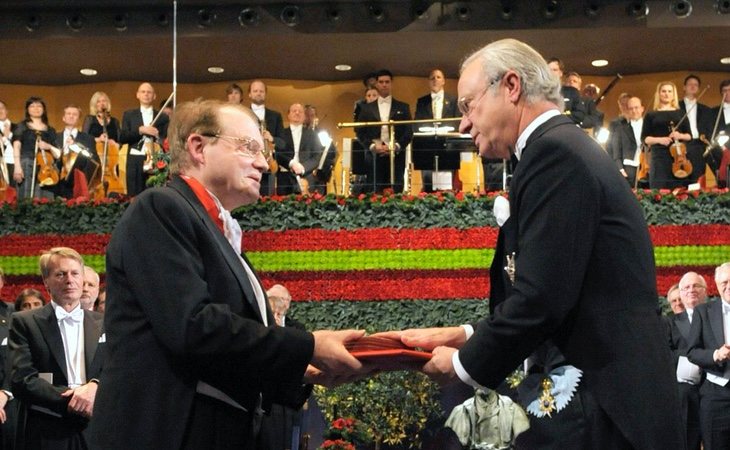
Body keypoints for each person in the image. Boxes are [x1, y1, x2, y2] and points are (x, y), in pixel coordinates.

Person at [390, 38, 683, 449]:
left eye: (468, 105)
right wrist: (467, 334)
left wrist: (461, 365)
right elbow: (564, 291)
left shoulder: (554, 155)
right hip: (607, 402)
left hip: (606, 410)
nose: (463, 124)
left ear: (511, 86)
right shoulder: (558, 149)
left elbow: (542, 298)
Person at [89, 99, 365, 450]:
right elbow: (194, 328)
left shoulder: (219, 231)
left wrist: (305, 369)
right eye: (249, 147)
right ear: (198, 147)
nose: (264, 163)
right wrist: (308, 347)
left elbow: (228, 351)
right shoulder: (160, 207)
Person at [8, 247, 104, 450]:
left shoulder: (104, 322)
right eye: (61, 274)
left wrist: (95, 385)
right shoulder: (25, 322)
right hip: (47, 427)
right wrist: (75, 398)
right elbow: (22, 379)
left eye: (75, 273)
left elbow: (119, 368)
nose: (70, 280)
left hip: (98, 428)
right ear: (46, 282)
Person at [687, 262, 730, 450]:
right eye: (724, 282)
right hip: (715, 396)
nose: (729, 286)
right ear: (717, 285)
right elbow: (692, 352)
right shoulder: (703, 312)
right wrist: (715, 355)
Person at [355, 69, 413, 193]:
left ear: (391, 83)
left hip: (396, 156)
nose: (384, 84)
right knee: (374, 190)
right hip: (374, 157)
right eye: (381, 82)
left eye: (387, 82)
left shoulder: (403, 107)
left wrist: (396, 146)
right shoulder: (366, 109)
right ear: (376, 84)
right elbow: (359, 131)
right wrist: (371, 146)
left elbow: (408, 132)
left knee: (396, 190)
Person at [671, 272, 708, 450]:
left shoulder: (718, 317)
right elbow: (664, 353)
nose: (691, 290)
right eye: (686, 287)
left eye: (696, 286)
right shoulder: (670, 323)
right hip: (686, 394)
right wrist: (689, 358)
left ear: (705, 291)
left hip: (715, 392)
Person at [414, 68, 461, 192]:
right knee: (428, 184)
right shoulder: (422, 102)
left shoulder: (453, 100)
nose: (435, 80)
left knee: (447, 185)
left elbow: (457, 122)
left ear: (444, 81)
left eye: (438, 77)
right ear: (429, 82)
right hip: (427, 145)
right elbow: (417, 122)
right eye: (432, 78)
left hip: (447, 146)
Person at [120, 82, 170, 197]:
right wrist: (140, 130)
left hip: (155, 159)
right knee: (134, 194)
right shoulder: (129, 115)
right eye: (143, 92)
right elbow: (122, 137)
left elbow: (166, 139)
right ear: (137, 95)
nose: (146, 94)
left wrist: (157, 136)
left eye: (149, 92)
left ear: (154, 96)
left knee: (154, 193)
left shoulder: (163, 117)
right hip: (135, 160)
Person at [641, 81, 692, 189]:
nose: (666, 94)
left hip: (678, 157)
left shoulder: (681, 113)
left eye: (670, 91)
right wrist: (660, 140)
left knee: (679, 190)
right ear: (658, 94)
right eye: (663, 91)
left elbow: (689, 136)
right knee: (659, 189)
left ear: (674, 94)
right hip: (659, 157)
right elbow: (645, 138)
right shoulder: (651, 115)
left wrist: (680, 135)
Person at [11, 96, 59, 200]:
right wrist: (17, 167)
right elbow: (16, 146)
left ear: (44, 109)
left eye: (39, 106)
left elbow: (58, 153)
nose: (36, 108)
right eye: (32, 106)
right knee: (27, 196)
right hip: (27, 163)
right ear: (27, 110)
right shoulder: (22, 126)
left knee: (46, 198)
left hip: (46, 168)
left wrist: (48, 146)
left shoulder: (50, 130)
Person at [276, 103, 324, 195]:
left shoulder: (312, 134)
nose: (297, 113)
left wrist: (303, 168)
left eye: (300, 112)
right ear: (288, 115)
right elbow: (278, 154)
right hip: (285, 179)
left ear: (304, 116)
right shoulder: (281, 134)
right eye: (294, 111)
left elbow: (317, 156)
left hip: (306, 177)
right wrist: (291, 163)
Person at [54, 104, 99, 199]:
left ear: (78, 119)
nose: (71, 116)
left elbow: (94, 160)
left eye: (75, 114)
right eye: (68, 114)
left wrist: (76, 147)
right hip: (57, 182)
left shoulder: (88, 139)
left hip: (78, 182)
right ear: (63, 118)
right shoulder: (54, 137)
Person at [248, 79, 285, 196]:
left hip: (269, 165)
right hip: (248, 164)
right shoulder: (243, 114)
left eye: (261, 91)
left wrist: (272, 138)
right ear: (249, 94)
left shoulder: (276, 116)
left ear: (265, 94)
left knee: (269, 199)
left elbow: (283, 143)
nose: (258, 93)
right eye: (255, 91)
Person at [680, 75, 713, 184]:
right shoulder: (676, 106)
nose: (693, 87)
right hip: (681, 146)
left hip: (698, 146)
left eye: (696, 85)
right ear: (684, 87)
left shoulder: (706, 110)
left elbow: (709, 129)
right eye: (690, 84)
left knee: (697, 178)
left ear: (698, 89)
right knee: (681, 178)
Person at [609, 96, 645, 187]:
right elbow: (616, 152)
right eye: (631, 108)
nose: (634, 111)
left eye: (636, 107)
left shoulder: (649, 126)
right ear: (627, 111)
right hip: (628, 169)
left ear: (642, 109)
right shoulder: (620, 129)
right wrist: (620, 169)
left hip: (646, 167)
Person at [546, 58, 585, 126]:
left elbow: (579, 115)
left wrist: (557, 119)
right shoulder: (538, 92)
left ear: (560, 73)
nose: (551, 72)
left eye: (554, 70)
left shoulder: (572, 92)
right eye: (548, 70)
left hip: (565, 128)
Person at [0, 101, 16, 191]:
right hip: (2, 164)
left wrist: (9, 135)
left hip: (16, 164)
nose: (0, 111)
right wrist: (5, 138)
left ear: (7, 111)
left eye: (2, 108)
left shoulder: (17, 127)